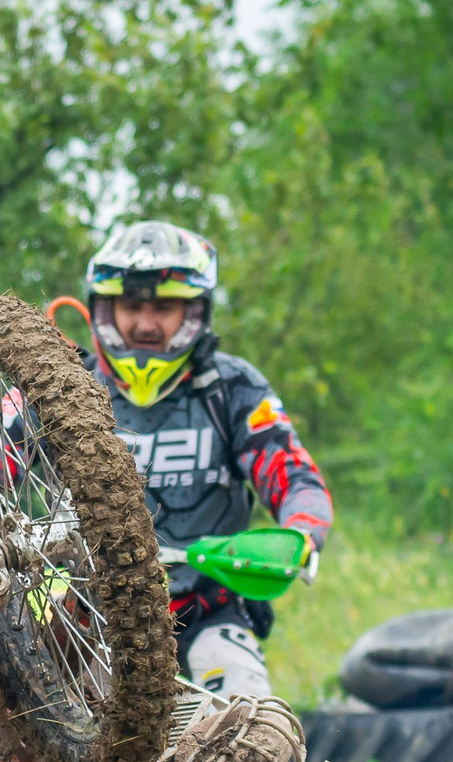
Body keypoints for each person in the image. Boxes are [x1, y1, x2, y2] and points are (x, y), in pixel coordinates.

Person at [82, 220, 333, 698]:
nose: (144, 323)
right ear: (105, 307)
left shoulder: (231, 387)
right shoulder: (65, 386)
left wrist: (301, 534)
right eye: (131, 305)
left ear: (194, 310)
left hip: (207, 610)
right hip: (89, 617)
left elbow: (295, 476)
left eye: (164, 307)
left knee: (253, 729)